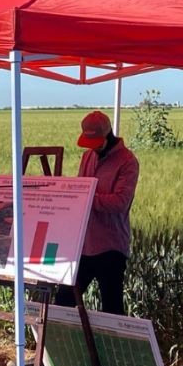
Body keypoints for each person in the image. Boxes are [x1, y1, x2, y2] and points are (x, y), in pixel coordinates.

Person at [55, 110, 139, 315]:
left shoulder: (128, 161)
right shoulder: (87, 156)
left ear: (108, 136)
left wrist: (87, 197)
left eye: (95, 142)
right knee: (63, 300)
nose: (92, 148)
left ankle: (111, 346)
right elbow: (80, 188)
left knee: (111, 307)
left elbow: (120, 202)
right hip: (83, 244)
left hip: (111, 246)